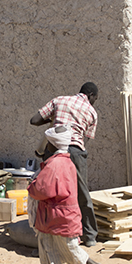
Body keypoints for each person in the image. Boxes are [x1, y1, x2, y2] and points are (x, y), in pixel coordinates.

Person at [26, 125, 106, 264]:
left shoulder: (54, 165)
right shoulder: (66, 161)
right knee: (45, 242)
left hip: (58, 215)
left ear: (53, 145)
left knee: (69, 246)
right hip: (58, 213)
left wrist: (31, 185)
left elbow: (42, 189)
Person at [30, 82, 99, 246]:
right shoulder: (92, 112)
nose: (94, 101)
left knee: (47, 192)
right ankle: (90, 236)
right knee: (82, 193)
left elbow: (34, 120)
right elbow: (85, 140)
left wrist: (52, 119)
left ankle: (47, 232)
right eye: (95, 98)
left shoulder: (59, 100)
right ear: (90, 95)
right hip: (75, 151)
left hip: (52, 150)